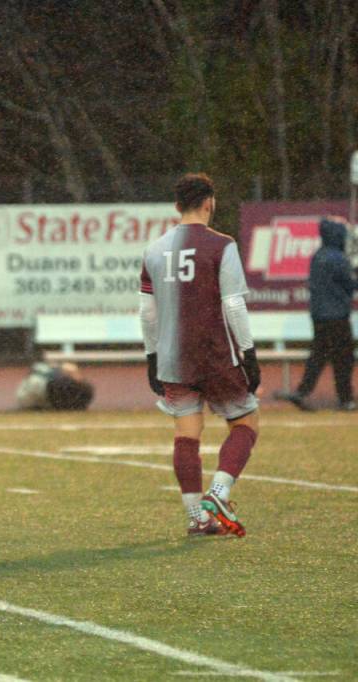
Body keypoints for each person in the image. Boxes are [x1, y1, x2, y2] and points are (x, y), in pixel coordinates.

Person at [140, 173, 259, 538]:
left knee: (186, 433)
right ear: (210, 202)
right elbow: (234, 304)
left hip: (174, 356)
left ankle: (197, 518)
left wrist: (151, 357)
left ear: (177, 207)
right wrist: (249, 353)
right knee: (246, 424)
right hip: (216, 354)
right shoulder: (222, 245)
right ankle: (219, 494)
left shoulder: (155, 250)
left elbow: (148, 312)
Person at [278, 217, 356, 411]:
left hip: (319, 315)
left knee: (319, 355)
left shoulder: (318, 256)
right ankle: (346, 399)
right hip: (337, 316)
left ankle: (302, 391)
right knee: (343, 358)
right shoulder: (338, 258)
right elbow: (350, 285)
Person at [14, 361, 94, 411]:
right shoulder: (42, 379)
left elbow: (36, 368)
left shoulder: (39, 378)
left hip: (39, 392)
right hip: (42, 392)